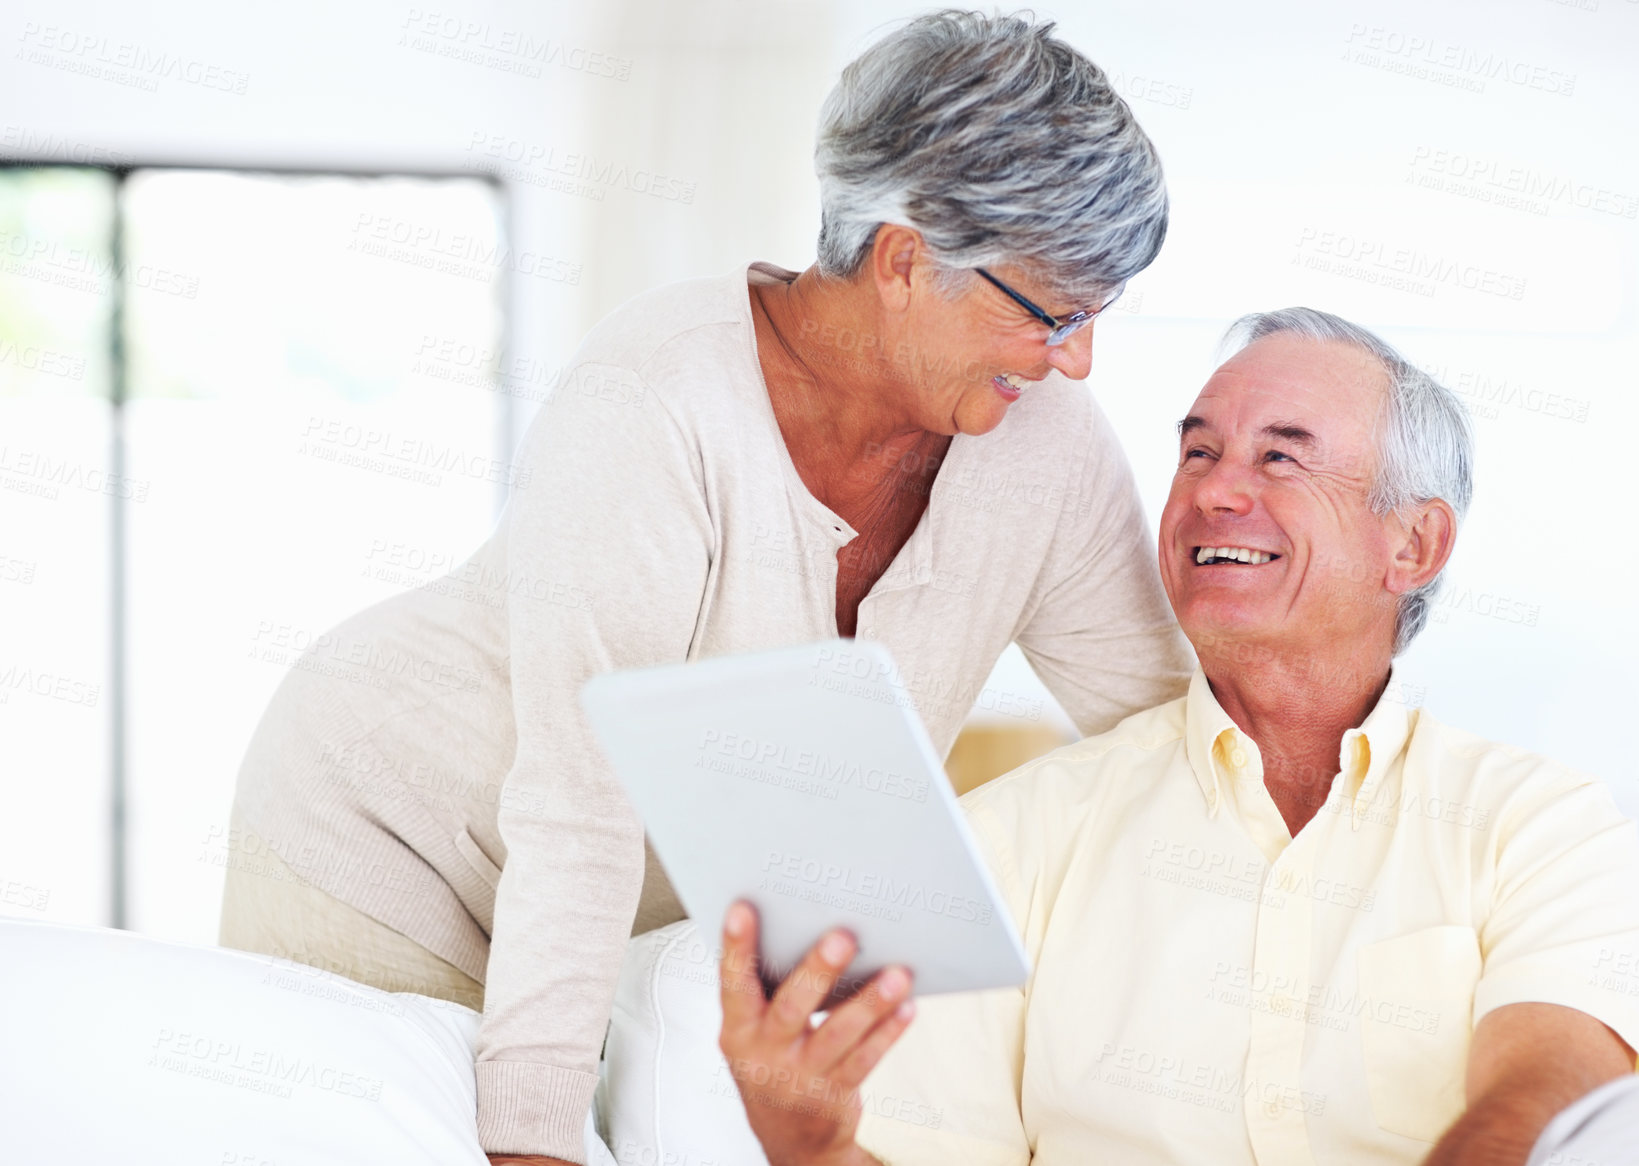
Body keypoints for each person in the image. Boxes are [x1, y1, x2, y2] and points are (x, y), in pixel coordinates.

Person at [218, 11, 1191, 1164]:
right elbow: (576, 802)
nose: (1077, 358)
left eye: (1097, 314)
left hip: (628, 908)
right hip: (392, 824)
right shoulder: (655, 401)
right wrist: (535, 1139)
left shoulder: (1046, 449)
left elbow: (1164, 737)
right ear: (903, 257)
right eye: (1054, 312)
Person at [718, 308, 1639, 1165]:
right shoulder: (1011, 836)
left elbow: (1544, 1098)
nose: (1216, 492)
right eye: (1196, 452)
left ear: (1413, 545)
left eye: (1279, 454)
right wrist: (809, 1146)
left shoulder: (1540, 824)